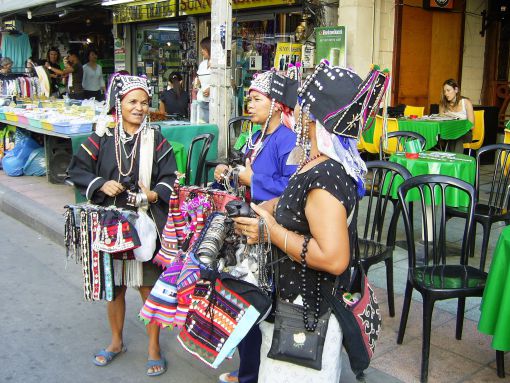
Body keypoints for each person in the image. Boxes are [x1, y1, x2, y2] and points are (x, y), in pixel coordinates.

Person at [232, 62, 388, 382]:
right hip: (296, 304)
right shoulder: (316, 162)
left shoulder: (325, 175)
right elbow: (302, 208)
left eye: (300, 106)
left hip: (308, 315)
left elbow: (333, 258)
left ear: (312, 116)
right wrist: (271, 207)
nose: (294, 113)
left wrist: (271, 232)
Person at [67, 74, 178, 377]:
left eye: (144, 102)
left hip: (145, 224)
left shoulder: (156, 140)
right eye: (133, 102)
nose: (140, 108)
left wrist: (154, 193)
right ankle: (116, 342)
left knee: (148, 287)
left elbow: (171, 178)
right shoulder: (101, 137)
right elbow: (76, 170)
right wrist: (102, 184)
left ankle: (154, 347)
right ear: (119, 104)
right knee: (113, 288)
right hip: (109, 225)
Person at [215, 69, 298, 383]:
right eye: (248, 99)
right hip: (248, 225)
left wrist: (254, 180)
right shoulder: (254, 136)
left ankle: (253, 374)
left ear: (276, 104)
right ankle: (248, 369)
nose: (249, 105)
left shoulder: (287, 140)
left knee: (254, 302)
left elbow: (293, 189)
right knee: (243, 299)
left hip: (269, 232)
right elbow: (242, 169)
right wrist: (230, 171)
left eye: (256, 99)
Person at [439, 78, 474, 153]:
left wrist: (454, 118)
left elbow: (471, 126)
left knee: (457, 137)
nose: (446, 94)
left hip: (465, 133)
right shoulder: (443, 104)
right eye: (444, 91)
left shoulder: (466, 102)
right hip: (448, 132)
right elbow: (440, 122)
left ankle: (454, 161)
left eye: (448, 90)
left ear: (456, 90)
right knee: (438, 137)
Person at [195, 37, 211, 123]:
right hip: (202, 101)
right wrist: (197, 83)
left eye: (203, 49)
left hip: (214, 103)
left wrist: (212, 89)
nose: (202, 51)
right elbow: (199, 80)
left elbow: (229, 82)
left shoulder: (220, 63)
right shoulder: (202, 64)